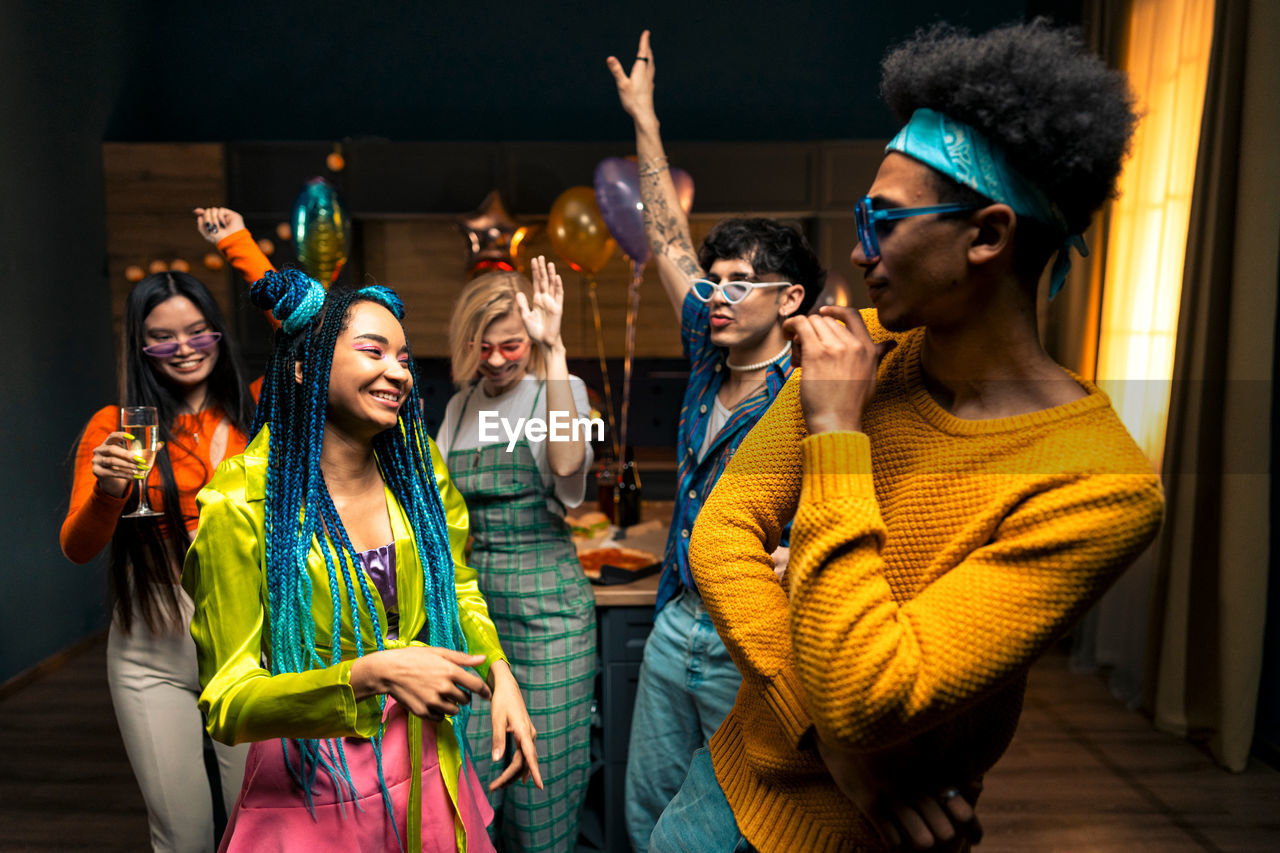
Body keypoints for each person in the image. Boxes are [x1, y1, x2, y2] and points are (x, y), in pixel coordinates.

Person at [659, 20, 1166, 853]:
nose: (859, 251)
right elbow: (720, 536)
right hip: (729, 789)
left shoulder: (1100, 483)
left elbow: (869, 690)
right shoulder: (862, 346)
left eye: (884, 219)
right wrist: (835, 749)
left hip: (871, 835)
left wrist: (835, 434)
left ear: (987, 235)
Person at [182, 270, 541, 851]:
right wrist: (368, 674)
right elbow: (228, 702)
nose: (399, 370)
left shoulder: (416, 471)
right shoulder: (241, 500)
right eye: (373, 351)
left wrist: (500, 673)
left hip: (426, 760)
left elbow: (458, 586)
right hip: (313, 780)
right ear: (305, 366)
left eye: (403, 357)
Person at [606, 31, 826, 852]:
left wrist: (801, 550)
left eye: (741, 283)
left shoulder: (812, 391)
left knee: (735, 828)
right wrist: (644, 118)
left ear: (790, 295)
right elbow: (666, 238)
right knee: (648, 816)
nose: (719, 294)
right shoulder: (707, 347)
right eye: (717, 280)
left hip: (748, 638)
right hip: (675, 623)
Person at [60, 269, 255, 852]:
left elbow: (312, 331)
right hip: (153, 637)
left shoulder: (261, 410)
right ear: (141, 346)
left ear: (219, 332)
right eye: (163, 337)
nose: (185, 348)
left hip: (249, 636)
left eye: (199, 331)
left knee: (259, 823)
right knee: (184, 832)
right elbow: (78, 546)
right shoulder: (115, 427)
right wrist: (108, 492)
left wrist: (238, 249)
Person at [434, 259, 597, 853]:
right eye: (484, 347)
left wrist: (553, 350)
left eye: (513, 345)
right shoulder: (458, 408)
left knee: (541, 786)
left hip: (551, 618)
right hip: (474, 614)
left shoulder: (562, 390)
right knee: (471, 781)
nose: (498, 360)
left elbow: (565, 465)